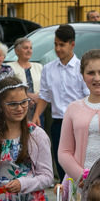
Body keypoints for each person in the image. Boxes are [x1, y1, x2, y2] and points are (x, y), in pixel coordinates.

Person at [34, 24, 90, 181]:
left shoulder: (81, 68)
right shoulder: (48, 69)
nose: (58, 49)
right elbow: (44, 95)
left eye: (62, 45)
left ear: (72, 44)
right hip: (59, 122)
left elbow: (87, 96)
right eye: (55, 44)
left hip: (79, 122)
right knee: (62, 163)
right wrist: (36, 115)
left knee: (79, 163)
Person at [58, 49, 100, 183]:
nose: (97, 78)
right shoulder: (73, 108)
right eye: (91, 73)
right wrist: (83, 177)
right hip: (81, 183)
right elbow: (64, 152)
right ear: (83, 76)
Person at [8, 37, 43, 121]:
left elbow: (45, 87)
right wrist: (28, 96)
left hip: (38, 109)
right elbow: (10, 88)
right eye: (25, 48)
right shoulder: (10, 67)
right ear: (17, 51)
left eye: (30, 48)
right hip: (19, 109)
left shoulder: (39, 67)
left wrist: (37, 97)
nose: (29, 50)